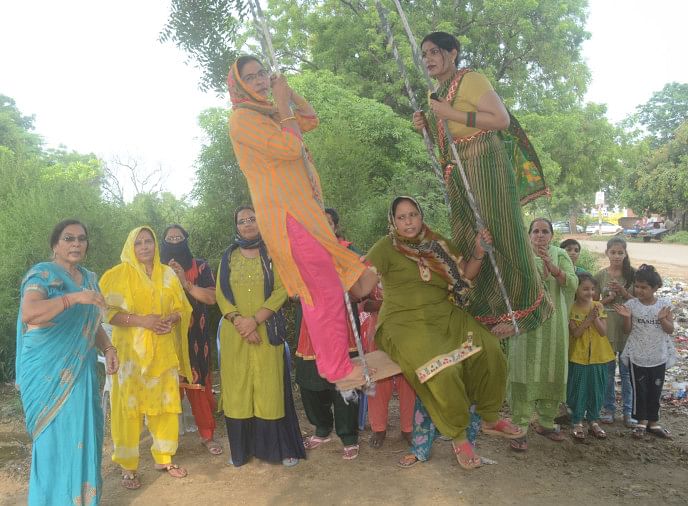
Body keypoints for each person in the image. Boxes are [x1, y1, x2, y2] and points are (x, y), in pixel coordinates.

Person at [227, 55, 377, 386]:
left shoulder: (269, 113)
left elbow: (309, 118)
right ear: (239, 87)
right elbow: (291, 147)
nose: (260, 80)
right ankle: (336, 367)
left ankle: (334, 360)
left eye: (261, 74)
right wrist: (282, 104)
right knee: (321, 289)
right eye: (250, 78)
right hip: (286, 216)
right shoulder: (242, 119)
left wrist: (288, 94)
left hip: (303, 211)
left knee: (324, 285)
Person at [366, 196, 523, 470]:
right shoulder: (383, 249)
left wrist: (478, 251)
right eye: (401, 217)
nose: (408, 221)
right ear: (393, 221)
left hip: (444, 315)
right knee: (442, 370)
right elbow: (359, 289)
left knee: (490, 349)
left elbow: (465, 276)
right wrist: (342, 272)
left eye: (412, 214)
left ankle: (489, 416)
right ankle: (459, 436)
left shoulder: (437, 244)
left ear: (421, 215)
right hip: (402, 324)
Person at [412, 31, 551, 335]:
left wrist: (451, 113)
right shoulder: (435, 93)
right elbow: (443, 143)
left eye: (434, 52)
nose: (428, 59)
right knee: (467, 237)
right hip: (457, 168)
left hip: (486, 160)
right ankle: (487, 310)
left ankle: (530, 309)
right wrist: (424, 127)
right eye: (424, 54)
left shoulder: (471, 80)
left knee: (501, 231)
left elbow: (500, 120)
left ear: (453, 53)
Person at [16, 219, 118, 505]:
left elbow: (91, 322)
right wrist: (73, 298)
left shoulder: (89, 278)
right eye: (69, 238)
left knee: (83, 436)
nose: (76, 244)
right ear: (55, 244)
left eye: (82, 239)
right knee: (51, 443)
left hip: (81, 369)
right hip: (47, 371)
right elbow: (30, 313)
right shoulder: (42, 275)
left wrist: (108, 347)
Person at [100, 227, 193, 489]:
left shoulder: (168, 275)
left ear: (155, 244)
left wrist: (170, 321)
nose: (144, 247)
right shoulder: (117, 275)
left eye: (148, 241)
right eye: (138, 242)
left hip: (162, 351)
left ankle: (164, 457)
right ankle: (128, 466)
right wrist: (143, 321)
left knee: (164, 405)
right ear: (131, 245)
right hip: (129, 357)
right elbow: (108, 313)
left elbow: (181, 308)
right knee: (128, 409)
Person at [216, 206, 305, 467]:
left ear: (261, 221)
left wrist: (254, 321)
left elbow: (281, 290)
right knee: (238, 390)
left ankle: (276, 450)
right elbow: (221, 293)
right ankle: (242, 452)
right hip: (235, 335)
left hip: (266, 332)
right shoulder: (228, 256)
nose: (247, 224)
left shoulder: (273, 253)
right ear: (236, 227)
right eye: (242, 221)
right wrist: (240, 322)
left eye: (252, 219)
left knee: (269, 389)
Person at [294, 207, 364, 460]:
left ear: (335, 228)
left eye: (328, 224)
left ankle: (348, 434)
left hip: (341, 326)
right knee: (310, 383)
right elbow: (290, 288)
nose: (322, 230)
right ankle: (322, 427)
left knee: (345, 382)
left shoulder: (347, 251)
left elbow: (361, 288)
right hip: (309, 329)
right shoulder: (298, 253)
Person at [507, 218, 578, 451]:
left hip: (555, 326)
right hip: (527, 326)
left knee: (551, 370)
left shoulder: (560, 254)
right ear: (528, 235)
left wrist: (553, 267)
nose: (540, 235)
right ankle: (519, 427)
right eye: (535, 231)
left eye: (545, 231)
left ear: (552, 235)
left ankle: (547, 422)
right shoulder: (520, 255)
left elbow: (573, 283)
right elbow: (511, 286)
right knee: (524, 372)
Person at [160, 224, 221, 455]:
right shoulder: (154, 270)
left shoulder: (201, 266)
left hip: (196, 337)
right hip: (165, 337)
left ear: (186, 240)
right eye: (169, 238)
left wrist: (185, 282)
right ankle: (166, 442)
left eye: (179, 237)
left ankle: (207, 435)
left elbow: (212, 298)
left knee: (197, 385)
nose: (174, 242)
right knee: (168, 388)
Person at [616, 265, 678, 439]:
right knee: (640, 390)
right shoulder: (632, 305)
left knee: (655, 390)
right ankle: (641, 422)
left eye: (644, 287)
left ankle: (653, 422)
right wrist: (627, 317)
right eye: (637, 286)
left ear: (655, 287)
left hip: (658, 356)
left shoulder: (664, 305)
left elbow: (670, 330)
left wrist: (662, 320)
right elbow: (626, 330)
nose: (639, 290)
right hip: (637, 356)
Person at [360, 282, 415, 449]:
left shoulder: (409, 266)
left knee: (408, 381)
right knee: (377, 378)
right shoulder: (372, 269)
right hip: (377, 331)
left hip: (407, 331)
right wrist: (390, 303)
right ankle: (379, 429)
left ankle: (408, 428)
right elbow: (365, 304)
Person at [594, 237, 636, 427]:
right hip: (607, 327)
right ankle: (608, 409)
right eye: (613, 252)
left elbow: (639, 302)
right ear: (607, 253)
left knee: (627, 373)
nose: (617, 256)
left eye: (621, 252)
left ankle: (629, 412)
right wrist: (608, 299)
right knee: (608, 372)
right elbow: (593, 302)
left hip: (627, 328)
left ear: (625, 254)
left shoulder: (633, 275)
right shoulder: (600, 275)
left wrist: (623, 292)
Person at [567, 273, 614, 440]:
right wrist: (589, 319)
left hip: (599, 356)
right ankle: (577, 421)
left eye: (593, 289)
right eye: (585, 288)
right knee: (578, 390)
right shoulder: (571, 308)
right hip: (578, 356)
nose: (590, 292)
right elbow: (576, 333)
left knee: (596, 390)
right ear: (576, 289)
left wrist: (595, 318)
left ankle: (594, 421)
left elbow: (603, 332)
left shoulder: (598, 306)